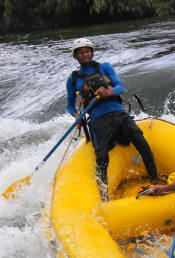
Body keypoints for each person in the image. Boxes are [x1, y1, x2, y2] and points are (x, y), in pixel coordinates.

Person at [66, 38, 158, 201]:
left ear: (92, 52)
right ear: (76, 56)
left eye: (87, 51)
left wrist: (108, 92)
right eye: (81, 52)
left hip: (118, 113)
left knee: (141, 142)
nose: (85, 54)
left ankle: (155, 181)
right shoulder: (73, 79)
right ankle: (104, 196)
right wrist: (76, 116)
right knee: (101, 157)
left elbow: (120, 87)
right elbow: (70, 106)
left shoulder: (105, 67)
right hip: (98, 119)